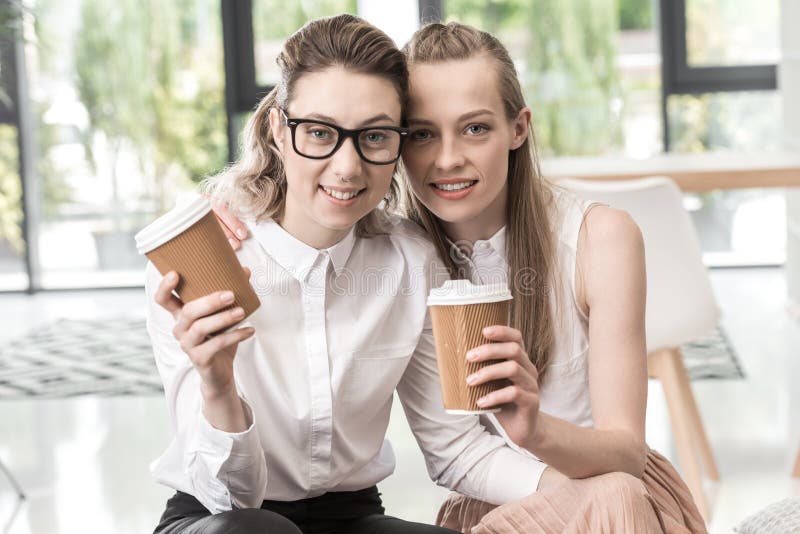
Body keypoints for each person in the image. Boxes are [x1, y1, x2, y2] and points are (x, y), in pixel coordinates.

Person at [219, 20, 708, 534]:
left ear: (518, 127)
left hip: (613, 492)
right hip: (496, 501)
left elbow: (625, 454)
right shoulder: (404, 252)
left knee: (615, 493)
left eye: (475, 128)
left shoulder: (597, 238)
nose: (447, 159)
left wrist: (534, 430)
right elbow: (309, 187)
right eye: (423, 134)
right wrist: (229, 204)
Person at [146, 15, 552, 534]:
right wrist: (218, 383)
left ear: (399, 144)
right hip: (221, 518)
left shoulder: (412, 262)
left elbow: (459, 448)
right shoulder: (205, 253)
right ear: (278, 128)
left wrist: (572, 492)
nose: (347, 167)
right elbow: (229, 498)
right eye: (319, 132)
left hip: (351, 514)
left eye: (374, 137)